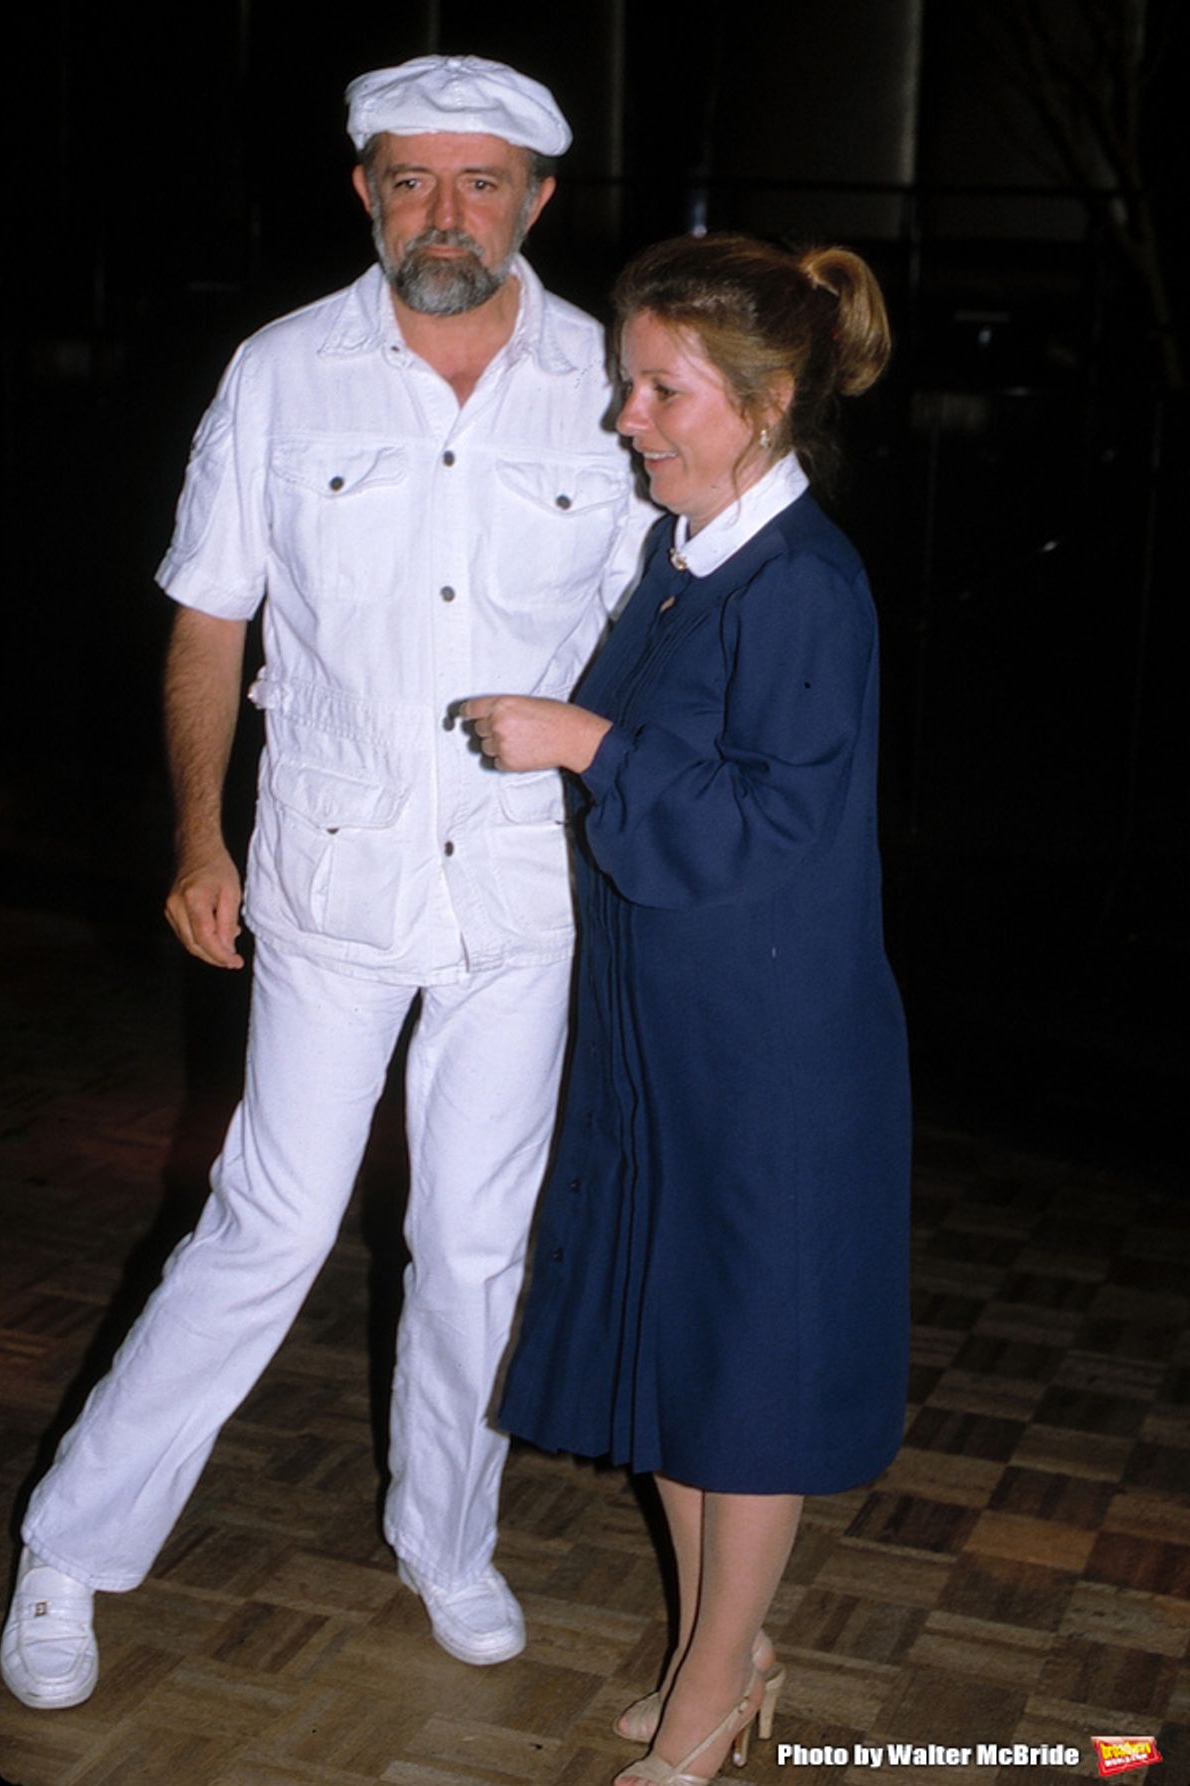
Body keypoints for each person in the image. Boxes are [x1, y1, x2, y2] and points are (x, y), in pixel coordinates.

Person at [0, 54, 650, 1708]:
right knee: (267, 1223)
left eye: (482, 181)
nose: (446, 212)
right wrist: (199, 832)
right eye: (412, 179)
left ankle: (448, 1536)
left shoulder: (614, 381)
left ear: (539, 200)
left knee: (477, 1242)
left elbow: (667, 634)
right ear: (364, 188)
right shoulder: (283, 371)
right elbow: (210, 611)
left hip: (526, 891)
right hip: (330, 869)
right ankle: (70, 1550)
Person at [464, 232, 911, 1785]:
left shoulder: (806, 588)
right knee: (674, 1332)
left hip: (773, 1046)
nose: (628, 418)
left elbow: (768, 826)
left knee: (749, 1362)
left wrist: (588, 743)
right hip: (667, 1017)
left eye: (662, 389)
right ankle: (731, 1643)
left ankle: (716, 1679)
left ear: (769, 401)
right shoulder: (685, 556)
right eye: (626, 383)